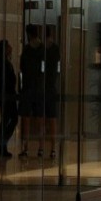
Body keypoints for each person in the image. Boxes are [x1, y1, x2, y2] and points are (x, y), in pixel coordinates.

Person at [0, 39, 18, 159]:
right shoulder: (3, 63)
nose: (11, 47)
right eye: (9, 46)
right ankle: (2, 145)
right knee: (11, 119)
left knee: (5, 120)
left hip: (5, 95)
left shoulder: (0, 62)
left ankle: (2, 146)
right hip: (7, 95)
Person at [18, 24, 45, 158]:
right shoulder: (43, 50)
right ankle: (41, 147)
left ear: (28, 34)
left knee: (26, 119)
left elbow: (22, 68)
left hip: (28, 88)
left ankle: (26, 147)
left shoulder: (27, 50)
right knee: (39, 119)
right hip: (39, 88)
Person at [43, 25, 60, 159]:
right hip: (51, 88)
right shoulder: (55, 50)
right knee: (52, 119)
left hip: (42, 88)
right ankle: (52, 148)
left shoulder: (41, 50)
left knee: (42, 119)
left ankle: (41, 147)